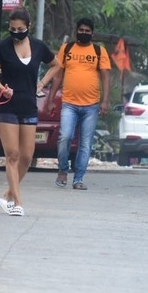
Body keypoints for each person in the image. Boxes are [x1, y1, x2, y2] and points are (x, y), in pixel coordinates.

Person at [0, 8, 61, 216]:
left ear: (28, 27)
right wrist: (2, 88)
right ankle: (18, 203)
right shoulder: (2, 47)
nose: (16, 32)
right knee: (12, 154)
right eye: (12, 29)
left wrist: (42, 83)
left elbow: (56, 65)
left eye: (20, 29)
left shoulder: (38, 47)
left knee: (27, 157)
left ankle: (6, 196)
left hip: (29, 104)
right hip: (7, 106)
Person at [46, 17, 111, 190]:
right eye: (81, 30)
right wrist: (51, 99)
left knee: (85, 143)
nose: (83, 33)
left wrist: (105, 101)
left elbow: (105, 77)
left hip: (92, 105)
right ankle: (62, 170)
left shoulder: (99, 51)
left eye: (87, 31)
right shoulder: (66, 49)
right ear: (76, 31)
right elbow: (58, 75)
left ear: (92, 33)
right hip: (69, 103)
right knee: (64, 137)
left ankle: (78, 179)